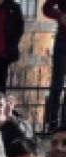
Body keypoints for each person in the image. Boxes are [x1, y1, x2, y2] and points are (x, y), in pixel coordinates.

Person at [47, 0, 66, 134]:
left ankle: (65, 122)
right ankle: (52, 122)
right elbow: (46, 8)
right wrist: (60, 15)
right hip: (63, 39)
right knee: (57, 82)